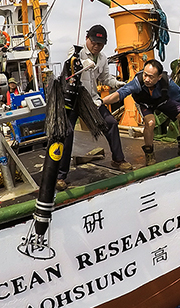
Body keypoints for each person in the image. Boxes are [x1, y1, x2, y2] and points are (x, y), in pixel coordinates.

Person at [56, 24, 132, 191]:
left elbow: (105, 78)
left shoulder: (103, 58)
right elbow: (71, 64)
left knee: (111, 123)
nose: (97, 46)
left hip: (91, 101)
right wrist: (83, 63)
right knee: (67, 133)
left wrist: (118, 83)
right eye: (94, 42)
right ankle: (60, 175)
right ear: (87, 39)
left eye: (100, 44)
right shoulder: (76, 51)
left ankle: (118, 159)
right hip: (72, 100)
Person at [101, 59, 180, 166]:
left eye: (151, 77)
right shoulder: (137, 82)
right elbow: (119, 94)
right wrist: (102, 101)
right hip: (145, 104)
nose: (146, 79)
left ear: (159, 77)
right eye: (145, 75)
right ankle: (149, 153)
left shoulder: (167, 83)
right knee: (150, 123)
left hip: (162, 101)